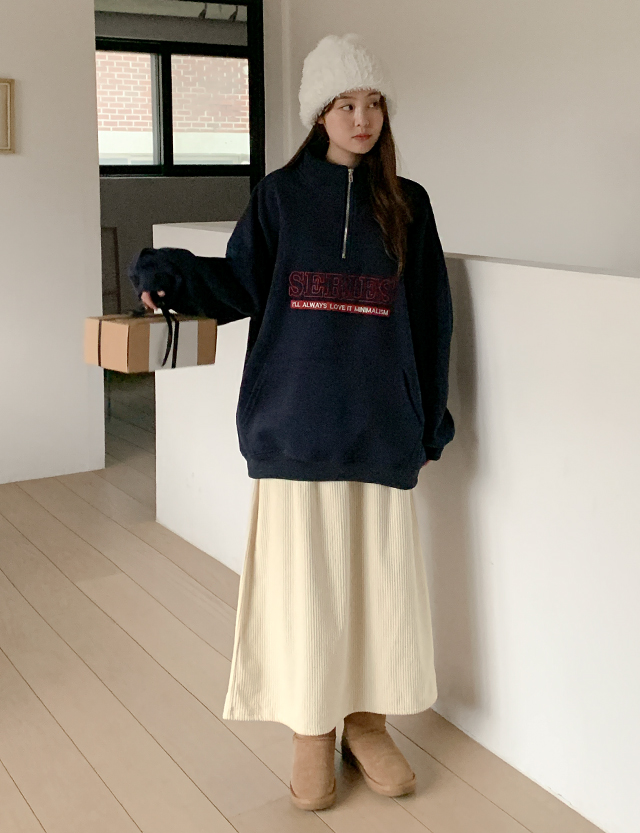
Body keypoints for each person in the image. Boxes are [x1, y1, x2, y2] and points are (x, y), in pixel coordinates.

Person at [129, 32, 455, 812]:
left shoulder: (409, 203)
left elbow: (431, 318)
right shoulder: (280, 196)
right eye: (346, 104)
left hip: (379, 429)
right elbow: (239, 285)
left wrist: (426, 420)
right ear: (319, 114)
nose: (362, 118)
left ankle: (368, 724)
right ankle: (313, 729)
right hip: (294, 426)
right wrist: (168, 277)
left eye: (373, 103)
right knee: (305, 589)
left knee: (377, 587)